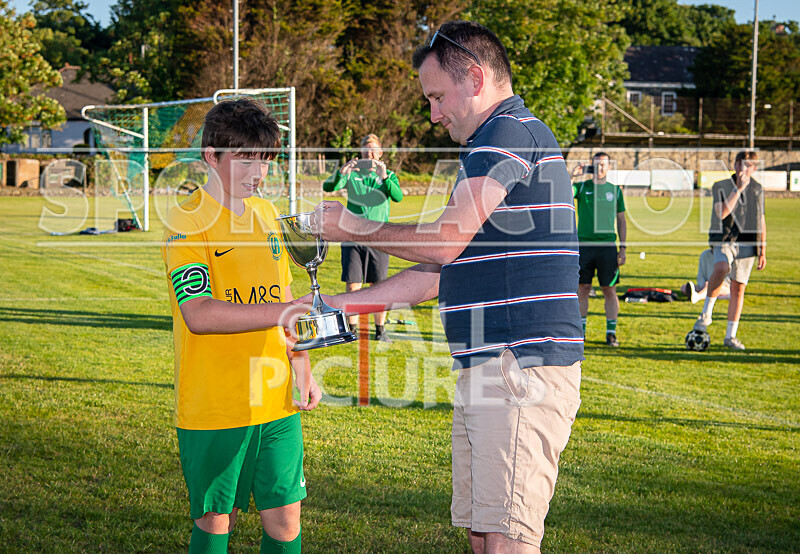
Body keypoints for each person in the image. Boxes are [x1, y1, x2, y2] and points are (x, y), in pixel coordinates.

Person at [315, 21, 583, 553]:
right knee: (485, 538)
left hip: (517, 365)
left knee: (506, 540)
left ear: (476, 78)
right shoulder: (491, 145)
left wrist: (350, 227)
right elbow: (439, 273)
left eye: (437, 97)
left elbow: (443, 243)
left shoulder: (506, 135)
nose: (433, 114)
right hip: (493, 366)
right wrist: (333, 305)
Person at [161, 98, 321, 554]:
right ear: (212, 157)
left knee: (286, 517)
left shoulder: (269, 216)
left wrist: (302, 362)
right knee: (216, 518)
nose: (259, 172)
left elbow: (285, 298)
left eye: (266, 160)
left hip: (274, 397)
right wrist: (284, 313)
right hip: (214, 402)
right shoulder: (187, 219)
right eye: (246, 158)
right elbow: (200, 314)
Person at [323, 133, 403, 341]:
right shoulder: (352, 174)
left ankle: (380, 330)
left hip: (378, 237)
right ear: (361, 152)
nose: (370, 153)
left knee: (378, 285)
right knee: (353, 284)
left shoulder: (388, 174)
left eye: (374, 149)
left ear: (380, 152)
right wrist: (342, 172)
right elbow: (328, 187)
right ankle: (352, 329)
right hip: (353, 235)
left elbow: (397, 196)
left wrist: (385, 176)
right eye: (366, 149)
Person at [693, 150, 766, 350]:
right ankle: (706, 313)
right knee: (721, 267)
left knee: (738, 288)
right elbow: (722, 212)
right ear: (734, 165)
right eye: (741, 164)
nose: (744, 169)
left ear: (755, 168)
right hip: (724, 238)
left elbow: (761, 219)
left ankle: (730, 336)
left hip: (747, 242)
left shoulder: (758, 189)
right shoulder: (721, 186)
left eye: (749, 166)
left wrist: (762, 248)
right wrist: (739, 189)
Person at [570, 153, 627, 347]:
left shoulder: (615, 190)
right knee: (582, 289)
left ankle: (611, 333)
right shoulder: (581, 187)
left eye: (603, 165)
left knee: (609, 289)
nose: (600, 169)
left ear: (609, 167)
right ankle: (581, 333)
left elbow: (621, 220)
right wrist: (572, 176)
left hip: (607, 247)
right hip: (584, 246)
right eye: (596, 165)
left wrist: (623, 247)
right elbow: (563, 193)